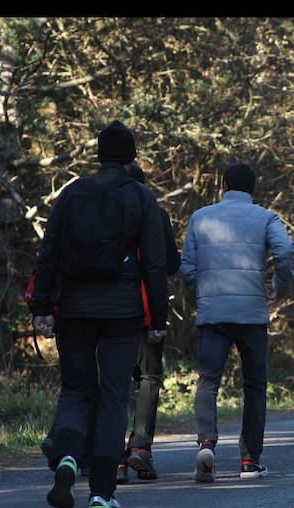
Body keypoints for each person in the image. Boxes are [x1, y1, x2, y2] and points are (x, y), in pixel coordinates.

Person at [29, 120, 168, 508]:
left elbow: (49, 253)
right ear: (132, 157)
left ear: (98, 154)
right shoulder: (141, 197)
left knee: (75, 391)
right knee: (111, 397)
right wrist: (158, 315)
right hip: (123, 311)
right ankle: (102, 494)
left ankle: (70, 456)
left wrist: (42, 307)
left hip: (73, 308)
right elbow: (154, 264)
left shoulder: (72, 194)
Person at [180, 163, 294, 482]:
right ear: (253, 189)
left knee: (208, 381)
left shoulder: (200, 217)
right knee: (255, 385)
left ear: (223, 184)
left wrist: (203, 293)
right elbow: (285, 250)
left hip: (213, 311)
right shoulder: (265, 218)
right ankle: (249, 460)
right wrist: (278, 286)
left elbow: (187, 266)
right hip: (251, 313)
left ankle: (206, 443)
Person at [116, 162, 182, 484]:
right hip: (146, 306)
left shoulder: (102, 213)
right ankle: (140, 448)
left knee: (112, 382)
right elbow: (171, 263)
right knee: (149, 377)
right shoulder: (156, 214)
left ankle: (113, 455)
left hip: (108, 309)